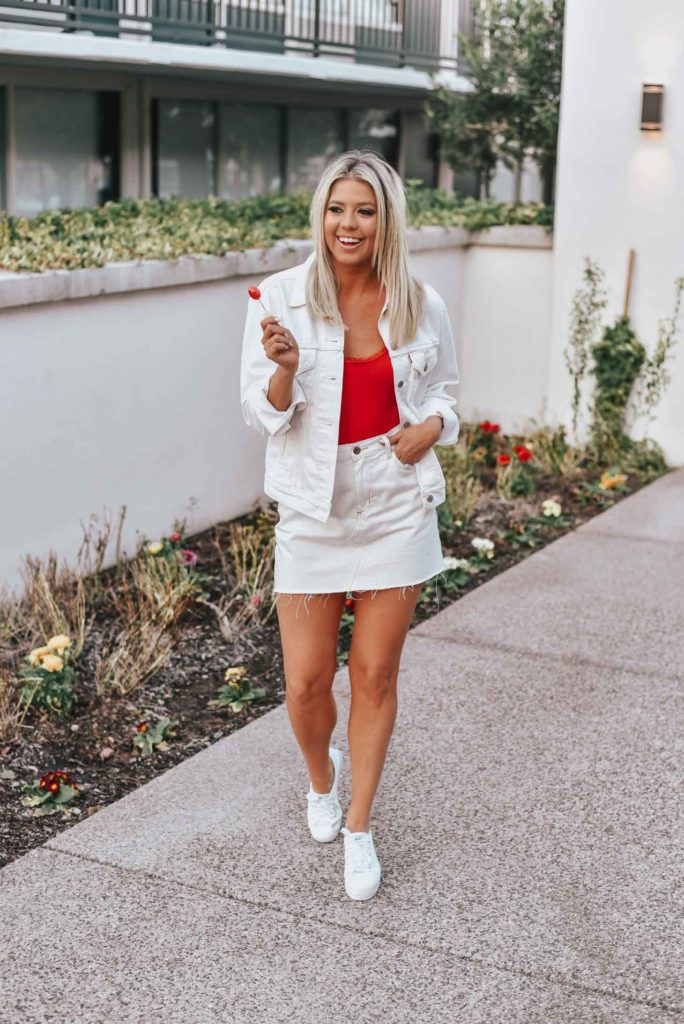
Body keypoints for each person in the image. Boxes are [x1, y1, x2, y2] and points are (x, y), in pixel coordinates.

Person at [240, 149, 460, 901]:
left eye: (364, 210)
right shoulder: (278, 298)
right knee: (305, 684)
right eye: (337, 209)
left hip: (394, 499)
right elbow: (264, 412)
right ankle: (322, 779)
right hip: (313, 503)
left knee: (374, 674)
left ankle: (360, 828)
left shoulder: (420, 302)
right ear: (321, 215)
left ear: (386, 218)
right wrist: (283, 367)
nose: (348, 223)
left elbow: (447, 393)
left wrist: (432, 427)